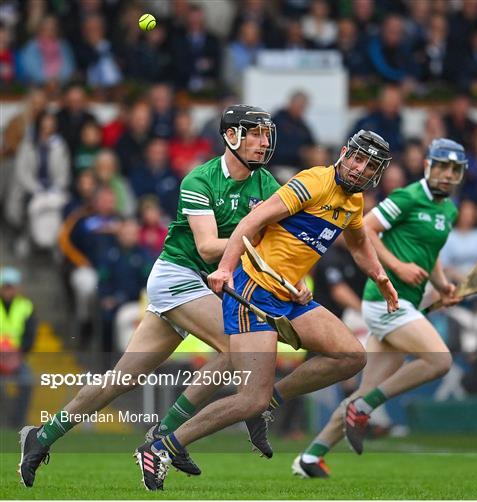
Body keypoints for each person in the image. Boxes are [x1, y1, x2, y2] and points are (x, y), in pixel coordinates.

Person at [18, 104, 282, 488]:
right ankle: (168, 436)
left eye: (265, 134)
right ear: (231, 136)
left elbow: (284, 233)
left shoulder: (266, 183)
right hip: (177, 276)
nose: (264, 141)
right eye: (254, 133)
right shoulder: (200, 180)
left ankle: (41, 438)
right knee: (236, 346)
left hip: (203, 284)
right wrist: (255, 239)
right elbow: (208, 248)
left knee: (120, 379)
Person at [137, 129, 399, 491]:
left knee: (351, 356)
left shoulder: (353, 203)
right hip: (252, 290)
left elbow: (358, 243)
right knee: (249, 398)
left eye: (369, 165)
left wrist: (381, 276)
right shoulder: (313, 182)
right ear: (343, 153)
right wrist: (226, 268)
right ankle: (163, 447)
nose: (359, 168)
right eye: (356, 158)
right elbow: (250, 223)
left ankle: (270, 401)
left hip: (288, 296)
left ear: (377, 173)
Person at [294, 138, 465, 478]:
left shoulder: (449, 210)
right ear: (429, 166)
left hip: (408, 302)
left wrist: (442, 285)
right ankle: (364, 408)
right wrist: (397, 268)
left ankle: (310, 457)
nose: (447, 174)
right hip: (384, 300)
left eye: (455, 169)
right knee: (439, 359)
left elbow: (429, 254)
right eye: (442, 166)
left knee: (365, 388)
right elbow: (366, 229)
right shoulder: (407, 197)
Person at [0, 267, 37, 428]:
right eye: (6, 286)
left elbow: (30, 336)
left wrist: (16, 354)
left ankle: (18, 421)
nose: (8, 290)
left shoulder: (26, 306)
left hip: (17, 358)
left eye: (11, 286)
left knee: (27, 381)